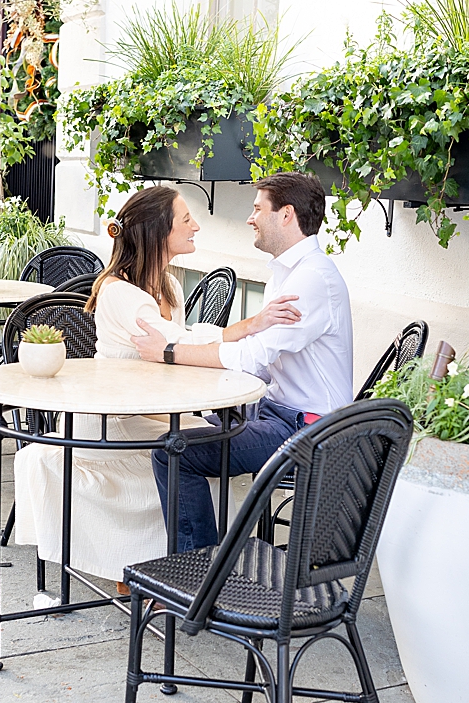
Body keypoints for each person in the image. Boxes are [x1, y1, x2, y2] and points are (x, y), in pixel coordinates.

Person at [15, 186, 296, 588]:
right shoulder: (119, 293)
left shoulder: (169, 287)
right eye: (186, 220)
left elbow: (185, 339)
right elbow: (177, 344)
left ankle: (200, 570)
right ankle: (163, 574)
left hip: (153, 411)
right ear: (157, 231)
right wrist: (252, 326)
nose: (196, 226)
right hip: (112, 421)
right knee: (188, 455)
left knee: (213, 451)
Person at [131, 171, 354, 552]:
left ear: (285, 215)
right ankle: (209, 561)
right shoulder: (285, 274)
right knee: (187, 429)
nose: (250, 218)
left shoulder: (313, 279)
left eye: (256, 209)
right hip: (274, 412)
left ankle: (198, 578)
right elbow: (260, 362)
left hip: (307, 430)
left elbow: (251, 359)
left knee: (174, 452)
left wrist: (170, 352)